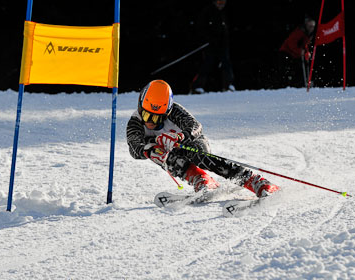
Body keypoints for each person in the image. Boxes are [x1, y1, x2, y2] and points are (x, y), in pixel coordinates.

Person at [127, 80, 279, 198]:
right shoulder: (135, 122)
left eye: (158, 118)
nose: (151, 122)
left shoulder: (175, 111)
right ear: (141, 108)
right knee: (162, 155)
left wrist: (180, 136)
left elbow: (195, 126)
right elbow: (134, 147)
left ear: (167, 112)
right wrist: (149, 151)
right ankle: (201, 179)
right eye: (147, 115)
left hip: (191, 144)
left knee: (202, 157)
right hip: (169, 152)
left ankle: (255, 181)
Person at [190, 0, 235, 93]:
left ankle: (228, 85)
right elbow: (201, 28)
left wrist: (224, 40)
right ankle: (197, 86)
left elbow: (225, 29)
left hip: (222, 44)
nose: (221, 5)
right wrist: (209, 39)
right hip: (210, 44)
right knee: (207, 63)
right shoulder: (208, 11)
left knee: (226, 63)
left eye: (223, 3)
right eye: (219, 2)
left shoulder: (224, 12)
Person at [278, 17, 316, 88]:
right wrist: (300, 51)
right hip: (286, 53)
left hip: (295, 54)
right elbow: (291, 43)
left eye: (313, 27)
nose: (312, 28)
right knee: (287, 72)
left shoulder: (308, 34)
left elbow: (305, 45)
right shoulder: (299, 32)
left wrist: (306, 53)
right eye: (310, 26)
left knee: (298, 71)